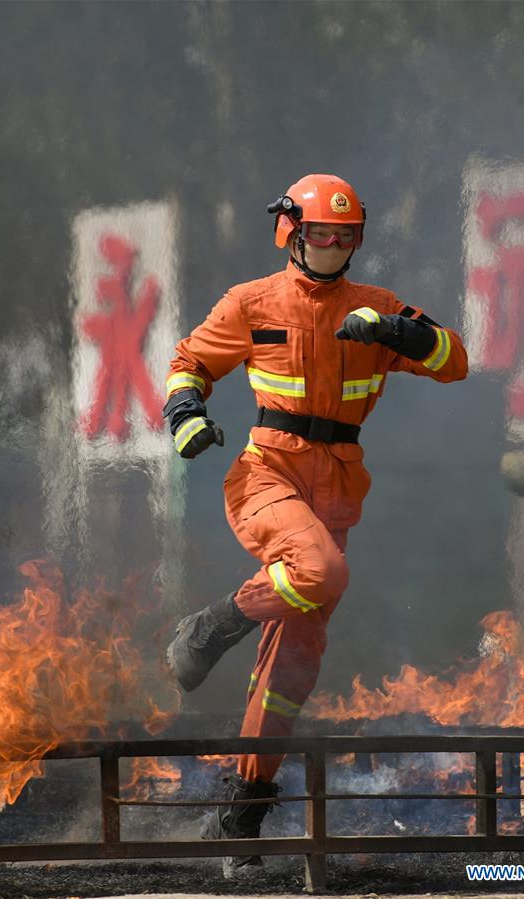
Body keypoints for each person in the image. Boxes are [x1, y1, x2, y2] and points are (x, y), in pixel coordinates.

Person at [163, 174, 468, 876]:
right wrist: (185, 415)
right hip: (267, 475)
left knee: (292, 668)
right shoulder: (251, 301)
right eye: (319, 233)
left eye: (344, 235)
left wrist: (400, 332)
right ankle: (211, 626)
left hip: (335, 494)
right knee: (319, 571)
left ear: (356, 239)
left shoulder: (378, 307)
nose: (330, 245)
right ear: (290, 232)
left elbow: (456, 361)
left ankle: (241, 811)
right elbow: (189, 364)